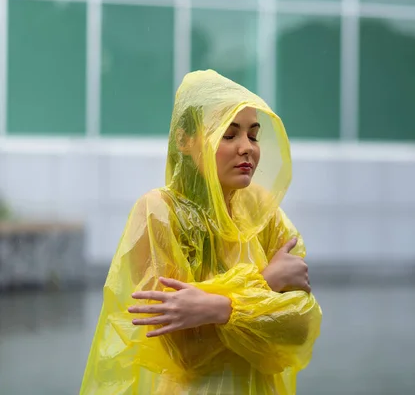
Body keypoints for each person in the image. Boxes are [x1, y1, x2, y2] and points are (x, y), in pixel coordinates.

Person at [80, 70, 323, 394]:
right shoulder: (159, 213)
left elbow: (299, 327)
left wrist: (216, 308)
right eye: (228, 134)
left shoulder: (263, 214)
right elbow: (186, 350)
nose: (246, 148)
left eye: (253, 135)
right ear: (184, 140)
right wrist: (266, 284)